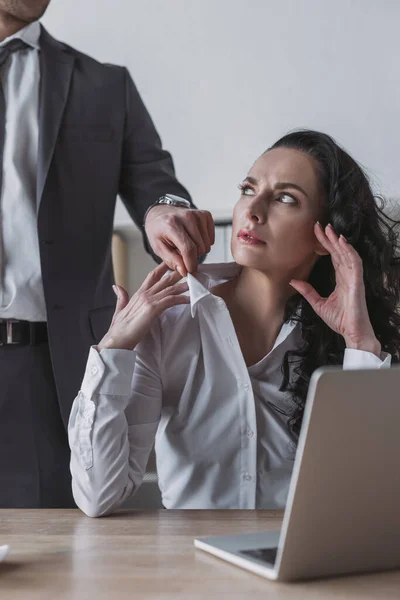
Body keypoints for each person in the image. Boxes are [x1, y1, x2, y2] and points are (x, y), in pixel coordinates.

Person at [69, 130, 400, 516]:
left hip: (299, 568)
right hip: (190, 569)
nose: (253, 210)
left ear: (325, 235)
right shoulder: (168, 321)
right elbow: (98, 497)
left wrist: (359, 345)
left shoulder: (348, 337)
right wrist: (113, 350)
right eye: (248, 189)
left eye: (285, 198)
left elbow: (362, 501)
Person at [0, 0, 214, 508]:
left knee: (50, 566)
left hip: (47, 368)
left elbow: (156, 183)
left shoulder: (103, 86)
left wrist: (165, 210)